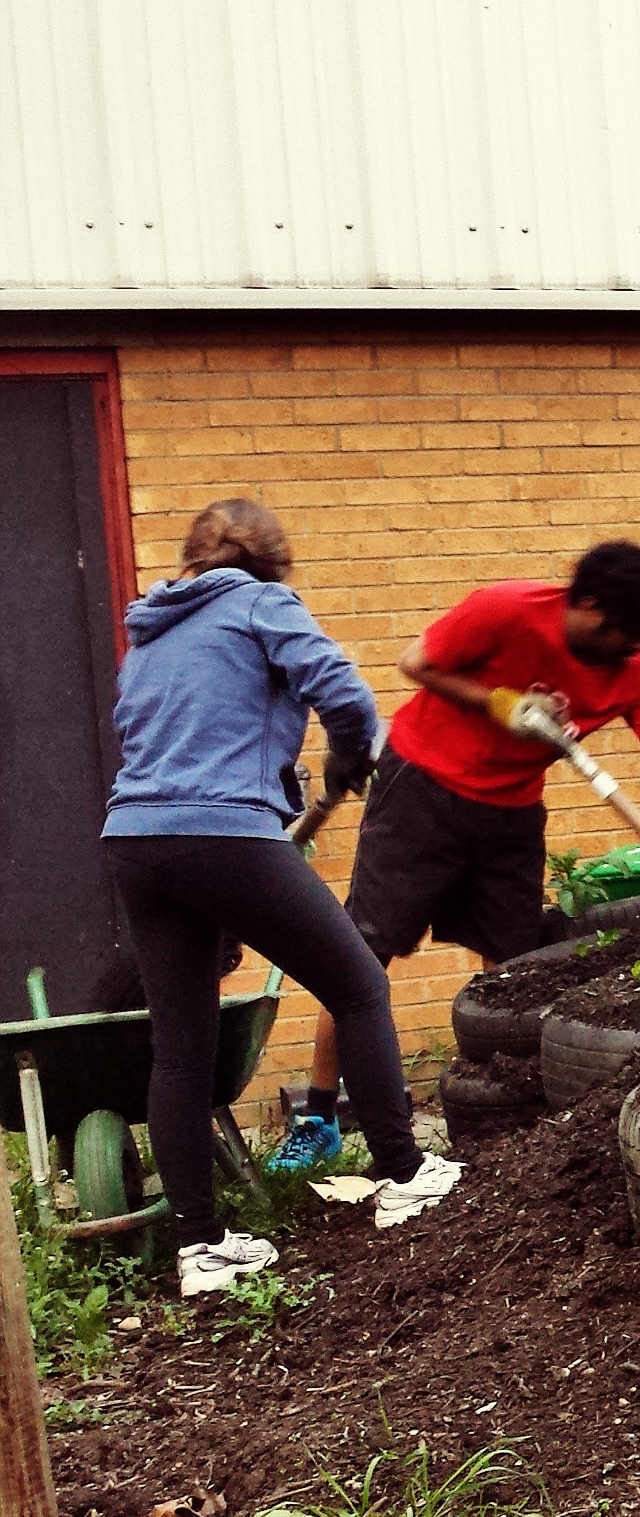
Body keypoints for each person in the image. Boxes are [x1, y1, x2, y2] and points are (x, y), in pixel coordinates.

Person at [106, 501, 463, 1294]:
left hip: (135, 838)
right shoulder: (262, 603)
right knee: (357, 985)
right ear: (269, 565)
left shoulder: (148, 639)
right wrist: (345, 755)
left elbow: (168, 743)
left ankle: (201, 1248)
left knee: (183, 1044)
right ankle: (404, 1176)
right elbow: (343, 690)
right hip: (225, 833)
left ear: (191, 562)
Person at [300, 542, 640, 1152]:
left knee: (514, 969)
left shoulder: (632, 673)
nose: (632, 651)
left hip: (510, 815)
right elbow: (415, 663)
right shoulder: (506, 609)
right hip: (420, 791)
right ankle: (317, 1117)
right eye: (625, 634)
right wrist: (498, 702)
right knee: (359, 953)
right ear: (587, 604)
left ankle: (499, 1119)